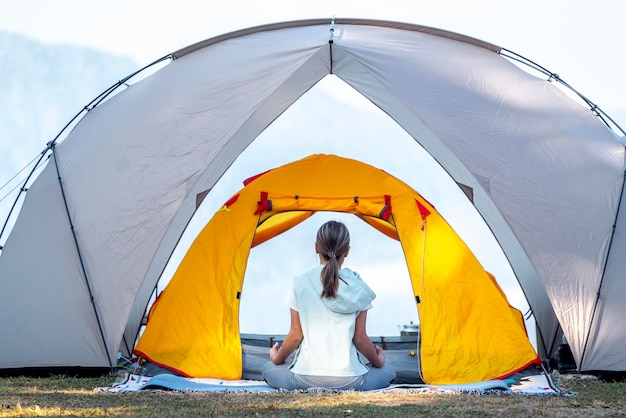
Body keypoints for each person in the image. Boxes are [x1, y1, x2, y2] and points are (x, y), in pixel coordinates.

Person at [262, 220, 396, 391]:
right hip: (351, 381)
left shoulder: (299, 283)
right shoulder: (358, 287)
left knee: (268, 368)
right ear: (347, 251)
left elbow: (296, 335)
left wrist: (277, 358)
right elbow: (360, 339)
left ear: (316, 247)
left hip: (305, 379)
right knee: (388, 371)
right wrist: (378, 360)